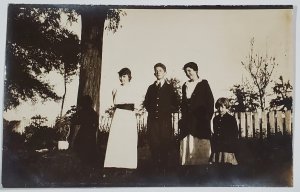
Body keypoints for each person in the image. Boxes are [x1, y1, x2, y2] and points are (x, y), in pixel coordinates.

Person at [144, 63, 179, 174]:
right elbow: (146, 103)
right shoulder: (151, 88)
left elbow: (176, 103)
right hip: (153, 121)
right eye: (156, 70)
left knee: (164, 143)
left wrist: (166, 110)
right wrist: (153, 111)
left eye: (160, 70)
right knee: (154, 143)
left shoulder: (169, 88)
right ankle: (155, 167)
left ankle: (164, 167)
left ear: (165, 72)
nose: (158, 72)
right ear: (154, 73)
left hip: (165, 122)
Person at [179, 62, 214, 172]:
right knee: (187, 144)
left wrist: (206, 118)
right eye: (186, 71)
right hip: (188, 121)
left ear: (196, 71)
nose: (188, 73)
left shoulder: (203, 84)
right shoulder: (185, 85)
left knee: (200, 144)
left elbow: (210, 102)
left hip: (200, 121)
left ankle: (202, 170)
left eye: (190, 71)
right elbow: (184, 104)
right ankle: (188, 169)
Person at [104, 68, 138, 171]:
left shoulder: (133, 88)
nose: (122, 78)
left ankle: (129, 164)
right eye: (120, 76)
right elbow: (115, 102)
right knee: (117, 137)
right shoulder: (116, 89)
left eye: (124, 76)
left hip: (129, 115)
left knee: (128, 138)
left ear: (129, 77)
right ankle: (114, 163)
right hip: (119, 115)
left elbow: (135, 104)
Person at [209, 97, 239, 166]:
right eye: (218, 107)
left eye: (222, 107)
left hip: (227, 149)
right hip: (217, 148)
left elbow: (235, 134)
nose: (220, 109)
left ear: (226, 107)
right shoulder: (215, 119)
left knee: (227, 167)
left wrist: (231, 146)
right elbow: (215, 133)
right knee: (217, 167)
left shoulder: (231, 119)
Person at [72, 95, 99, 165]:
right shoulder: (93, 112)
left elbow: (75, 121)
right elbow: (96, 124)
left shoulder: (83, 111)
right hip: (91, 133)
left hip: (84, 132)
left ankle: (84, 162)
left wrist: (75, 116)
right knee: (89, 149)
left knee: (81, 147)